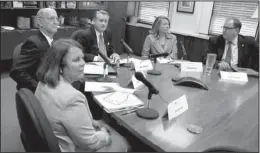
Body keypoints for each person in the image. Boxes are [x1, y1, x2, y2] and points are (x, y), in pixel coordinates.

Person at [35, 39, 130, 152]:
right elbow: (91, 143)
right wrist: (105, 135)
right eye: (76, 60)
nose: (83, 63)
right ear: (60, 67)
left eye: (82, 58)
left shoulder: (43, 82)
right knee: (123, 143)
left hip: (54, 137)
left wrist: (91, 122)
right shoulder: (72, 98)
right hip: (70, 148)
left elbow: (64, 117)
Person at [10, 8, 59, 92]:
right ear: (40, 22)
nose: (56, 22)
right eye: (51, 19)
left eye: (57, 19)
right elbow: (17, 72)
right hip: (41, 90)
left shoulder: (53, 42)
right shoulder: (34, 43)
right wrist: (39, 88)